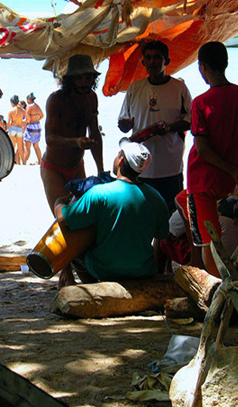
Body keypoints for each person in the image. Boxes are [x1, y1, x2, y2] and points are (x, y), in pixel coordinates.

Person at [176, 41, 238, 277]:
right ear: (226, 64)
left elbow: (203, 149)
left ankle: (221, 289)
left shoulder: (201, 103)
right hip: (226, 182)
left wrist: (231, 170)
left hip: (203, 181)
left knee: (209, 243)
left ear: (202, 67)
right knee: (193, 214)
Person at [54, 139, 169, 283]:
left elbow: (62, 219)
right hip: (142, 270)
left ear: (120, 160)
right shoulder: (156, 197)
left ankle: (92, 287)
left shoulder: (99, 193)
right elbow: (162, 238)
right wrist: (157, 271)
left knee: (78, 251)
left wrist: (59, 202)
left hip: (105, 270)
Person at [41, 53, 104, 286]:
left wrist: (101, 170)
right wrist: (76, 142)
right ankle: (64, 271)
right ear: (69, 80)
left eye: (89, 77)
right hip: (53, 168)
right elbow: (49, 138)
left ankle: (83, 268)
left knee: (80, 218)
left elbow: (95, 133)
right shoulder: (55, 100)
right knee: (61, 218)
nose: (85, 82)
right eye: (80, 78)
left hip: (77, 166)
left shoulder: (91, 99)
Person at [118, 40, 192, 213]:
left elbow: (191, 121)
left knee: (171, 217)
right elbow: (123, 125)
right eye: (148, 58)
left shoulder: (179, 88)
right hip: (139, 169)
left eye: (157, 58)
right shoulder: (135, 88)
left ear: (166, 61)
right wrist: (124, 125)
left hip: (170, 167)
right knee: (142, 217)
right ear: (143, 62)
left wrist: (170, 127)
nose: (152, 62)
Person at [24, 92, 44, 165]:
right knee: (36, 146)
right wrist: (36, 119)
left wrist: (24, 123)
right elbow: (42, 115)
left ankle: (24, 161)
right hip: (37, 126)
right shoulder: (37, 106)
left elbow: (28, 119)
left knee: (27, 146)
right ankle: (40, 161)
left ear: (29, 100)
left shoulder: (28, 107)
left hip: (31, 126)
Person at [7, 95, 27, 164]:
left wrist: (7, 128)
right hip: (19, 129)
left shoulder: (11, 112)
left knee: (12, 146)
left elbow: (8, 122)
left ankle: (12, 161)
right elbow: (28, 119)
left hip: (12, 128)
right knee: (20, 147)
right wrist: (22, 121)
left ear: (12, 103)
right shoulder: (22, 110)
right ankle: (24, 162)